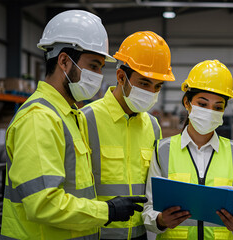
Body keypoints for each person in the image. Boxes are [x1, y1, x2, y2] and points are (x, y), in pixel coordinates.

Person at [0, 10, 146, 240]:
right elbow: (42, 203)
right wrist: (108, 210)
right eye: (94, 66)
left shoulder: (69, 115)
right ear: (65, 61)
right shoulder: (40, 119)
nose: (98, 76)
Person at [142, 60, 233, 239]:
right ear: (187, 103)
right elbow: (148, 209)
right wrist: (161, 220)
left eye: (218, 107)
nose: (210, 111)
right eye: (202, 104)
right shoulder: (162, 150)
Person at [81, 31, 174, 239]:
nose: (151, 92)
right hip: (98, 233)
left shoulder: (152, 125)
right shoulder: (86, 120)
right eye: (144, 83)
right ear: (121, 77)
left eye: (157, 86)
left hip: (139, 234)